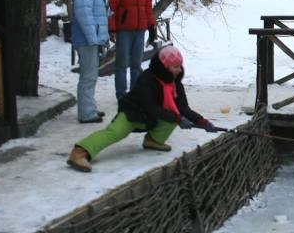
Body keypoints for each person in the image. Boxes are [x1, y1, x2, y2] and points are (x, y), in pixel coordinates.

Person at [67, 46, 217, 172]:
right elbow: (151, 107)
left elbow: (183, 108)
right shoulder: (147, 79)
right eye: (175, 67)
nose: (179, 70)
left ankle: (153, 140)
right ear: (165, 67)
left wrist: (203, 122)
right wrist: (177, 118)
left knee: (174, 116)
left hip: (151, 117)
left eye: (180, 66)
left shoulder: (174, 83)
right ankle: (80, 152)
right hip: (133, 113)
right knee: (114, 133)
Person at [108, 0, 158, 100]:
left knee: (136, 63)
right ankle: (121, 94)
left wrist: (152, 26)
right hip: (124, 31)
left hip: (140, 30)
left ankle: (136, 93)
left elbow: (148, 9)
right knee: (122, 64)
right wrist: (112, 29)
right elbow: (111, 10)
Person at [71, 0, 111, 123]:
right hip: (87, 40)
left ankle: (90, 108)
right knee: (88, 76)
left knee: (91, 75)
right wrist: (94, 40)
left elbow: (101, 15)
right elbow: (85, 18)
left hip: (92, 40)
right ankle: (86, 113)